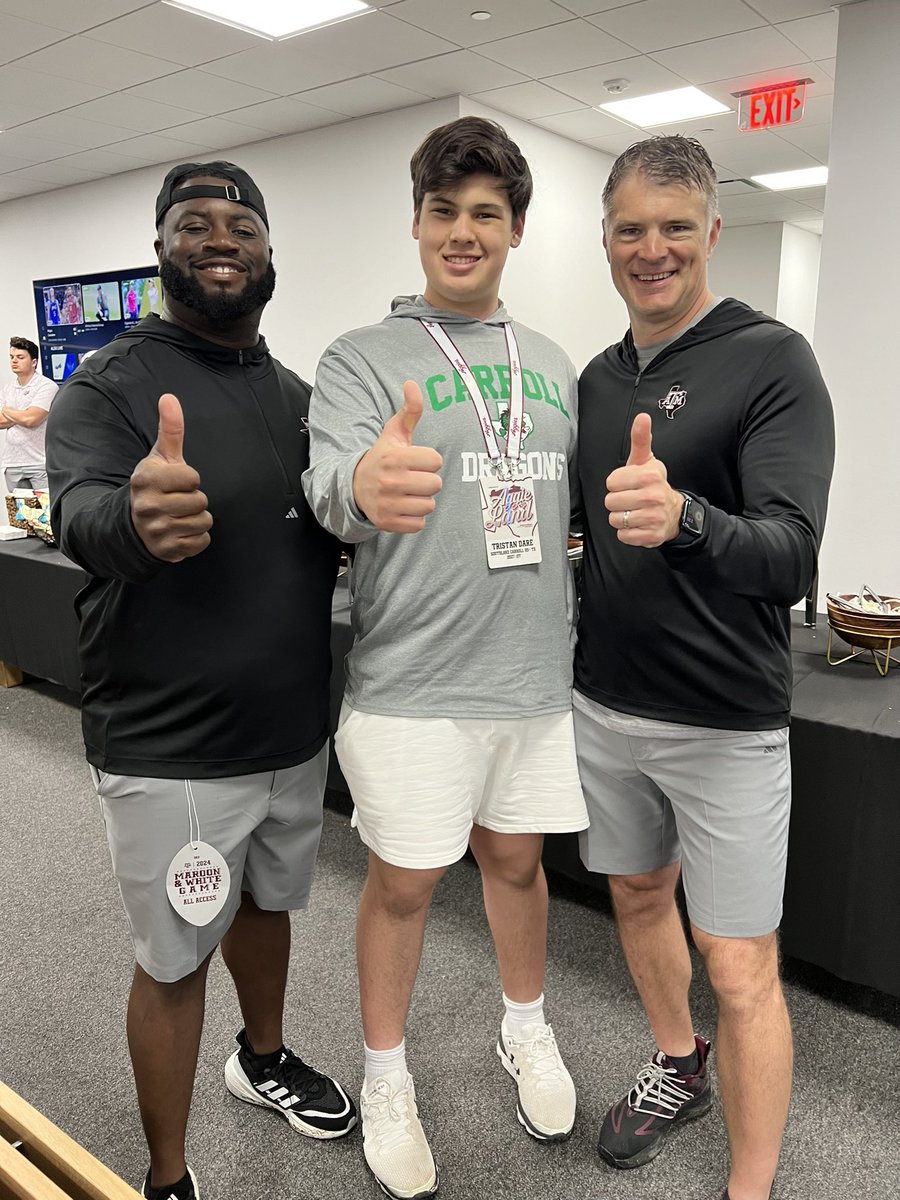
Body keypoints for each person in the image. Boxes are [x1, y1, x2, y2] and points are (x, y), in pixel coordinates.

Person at [46, 160, 357, 1200]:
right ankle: (167, 1177)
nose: (220, 236)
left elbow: (335, 529)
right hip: (170, 740)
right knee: (175, 955)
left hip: (289, 730)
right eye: (193, 223)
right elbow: (79, 515)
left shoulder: (302, 395)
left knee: (267, 907)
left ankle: (263, 1059)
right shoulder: (110, 386)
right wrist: (133, 520)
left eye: (242, 223)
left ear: (270, 252)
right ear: (162, 249)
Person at [303, 116, 588, 1200]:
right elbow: (333, 485)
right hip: (415, 684)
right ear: (417, 221)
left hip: (534, 682)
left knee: (518, 866)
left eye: (486, 214)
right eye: (443, 211)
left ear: (515, 228)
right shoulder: (362, 358)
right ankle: (386, 1075)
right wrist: (364, 493)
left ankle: (527, 1027)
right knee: (407, 883)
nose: (462, 233)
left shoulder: (554, 365)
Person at [573, 135, 834, 1200]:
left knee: (741, 965)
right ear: (605, 239)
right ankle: (680, 1063)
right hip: (605, 708)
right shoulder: (597, 380)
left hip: (725, 724)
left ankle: (751, 1187)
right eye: (631, 228)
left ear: (713, 232)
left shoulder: (773, 359)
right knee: (637, 896)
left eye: (675, 226)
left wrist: (686, 519)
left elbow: (790, 557)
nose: (653, 249)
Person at [1, 336, 58, 493]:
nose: (14, 361)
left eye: (20, 357)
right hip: (12, 464)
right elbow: (0, 422)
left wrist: (7, 411)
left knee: (45, 516)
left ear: (34, 362)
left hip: (39, 463)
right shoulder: (7, 389)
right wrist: (22, 414)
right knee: (20, 517)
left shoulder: (47, 386)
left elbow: (32, 419)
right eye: (12, 357)